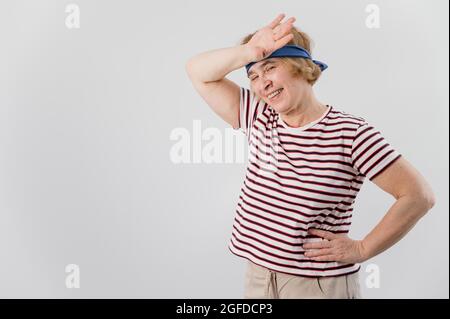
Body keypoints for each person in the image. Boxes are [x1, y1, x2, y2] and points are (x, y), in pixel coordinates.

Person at [185, 13, 436, 299]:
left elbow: (418, 196)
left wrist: (363, 248)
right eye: (253, 75)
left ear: (301, 68)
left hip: (316, 285)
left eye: (270, 67)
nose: (261, 83)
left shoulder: (350, 133)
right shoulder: (258, 116)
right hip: (259, 276)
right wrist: (249, 52)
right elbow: (197, 71)